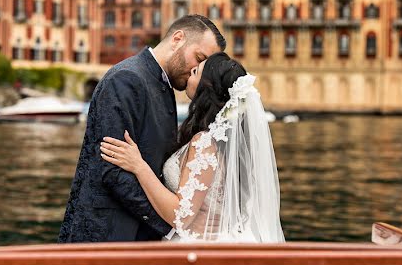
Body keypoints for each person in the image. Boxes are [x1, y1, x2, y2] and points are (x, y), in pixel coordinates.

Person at [58, 14, 225, 243]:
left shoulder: (164, 84)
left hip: (137, 239)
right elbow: (112, 171)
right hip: (108, 238)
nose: (199, 71)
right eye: (199, 58)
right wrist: (169, 227)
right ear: (177, 38)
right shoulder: (127, 79)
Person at [99, 52, 284, 244]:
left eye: (196, 71)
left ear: (208, 87)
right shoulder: (225, 146)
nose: (189, 72)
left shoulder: (204, 143)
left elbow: (181, 216)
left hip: (196, 247)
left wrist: (138, 166)